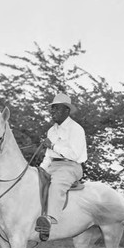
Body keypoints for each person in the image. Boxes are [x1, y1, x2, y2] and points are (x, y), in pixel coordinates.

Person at [35, 93, 88, 240]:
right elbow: (48, 155)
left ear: (67, 110)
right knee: (34, 181)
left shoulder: (76, 129)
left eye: (56, 108)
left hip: (71, 166)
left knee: (57, 184)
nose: (52, 112)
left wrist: (52, 145)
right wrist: (41, 169)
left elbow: (74, 155)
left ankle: (49, 221)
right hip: (53, 164)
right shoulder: (51, 131)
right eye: (52, 109)